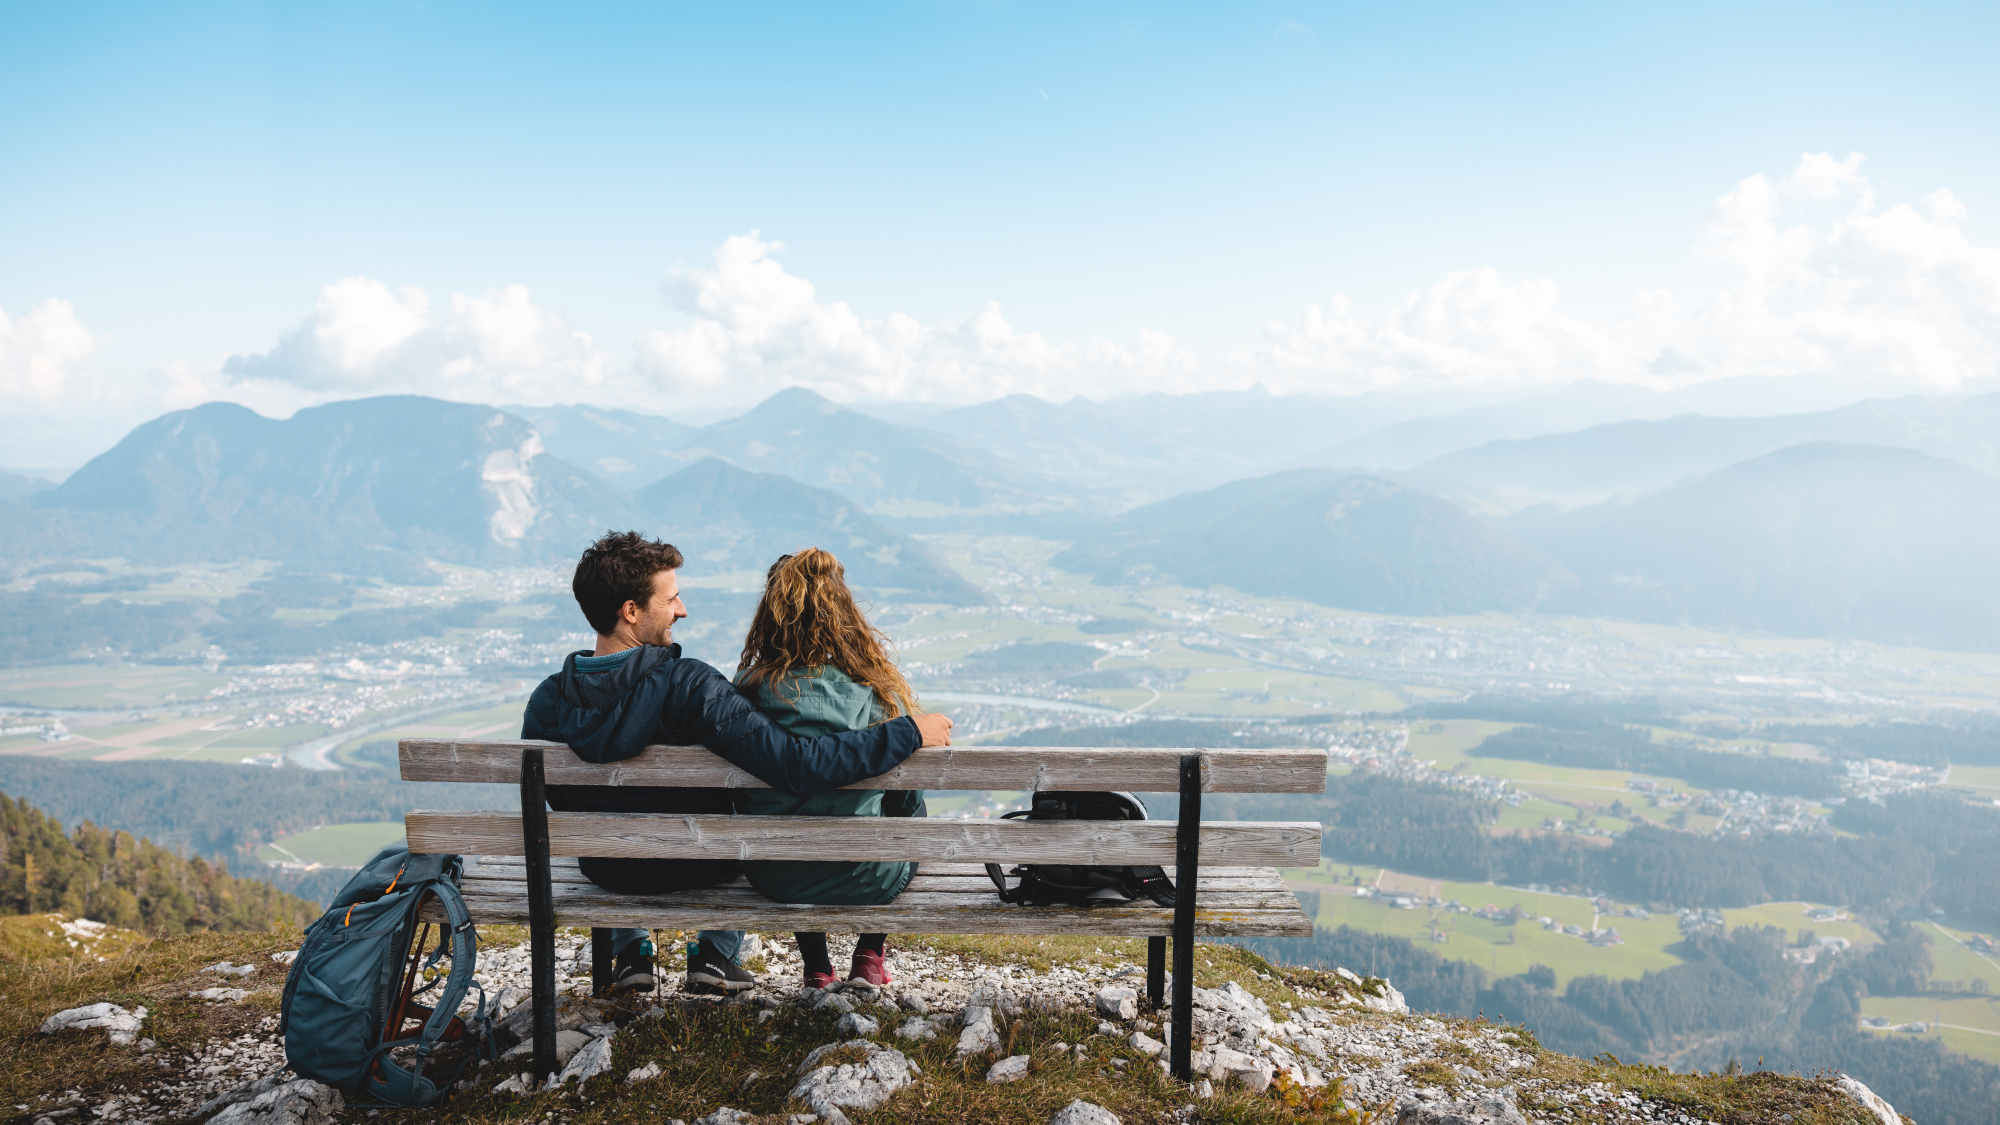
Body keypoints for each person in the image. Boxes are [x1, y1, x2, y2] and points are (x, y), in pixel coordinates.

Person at [519, 532, 953, 996]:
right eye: (671, 598)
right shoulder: (691, 688)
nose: (682, 609)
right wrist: (908, 731)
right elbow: (794, 765)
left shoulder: (547, 702)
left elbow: (559, 798)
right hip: (700, 863)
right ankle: (714, 951)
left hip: (607, 869)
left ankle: (631, 950)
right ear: (630, 611)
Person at [733, 548, 929, 989]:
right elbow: (906, 804)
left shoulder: (745, 692)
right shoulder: (879, 695)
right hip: (871, 879)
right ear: (844, 614)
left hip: (775, 875)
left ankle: (818, 968)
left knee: (792, 816)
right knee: (913, 815)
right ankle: (870, 953)